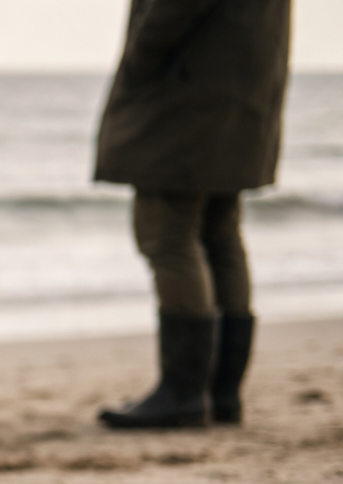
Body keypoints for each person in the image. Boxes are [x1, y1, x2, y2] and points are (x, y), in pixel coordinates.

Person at [95, 0, 292, 429]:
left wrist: (138, 60)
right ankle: (220, 393)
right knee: (220, 232)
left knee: (167, 233)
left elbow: (171, 12)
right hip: (243, 88)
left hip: (186, 92)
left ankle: (184, 393)